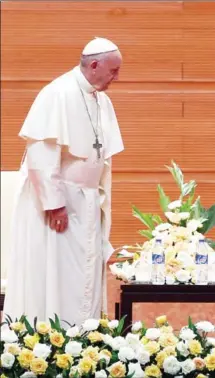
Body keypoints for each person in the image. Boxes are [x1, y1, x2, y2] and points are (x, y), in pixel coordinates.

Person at [3, 37, 124, 326]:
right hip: (59, 207)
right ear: (94, 65)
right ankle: (52, 343)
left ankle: (84, 340)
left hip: (87, 203)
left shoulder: (100, 100)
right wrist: (54, 204)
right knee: (58, 275)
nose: (116, 78)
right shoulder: (56, 94)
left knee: (83, 274)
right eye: (113, 71)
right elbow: (41, 154)